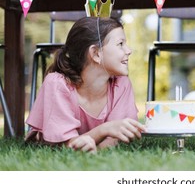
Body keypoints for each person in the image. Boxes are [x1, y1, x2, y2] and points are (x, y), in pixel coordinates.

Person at [25, 17, 145, 152]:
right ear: (95, 54)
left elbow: (115, 138)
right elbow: (66, 146)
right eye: (120, 44)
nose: (129, 50)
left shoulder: (121, 84)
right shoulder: (57, 84)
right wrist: (105, 129)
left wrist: (95, 149)